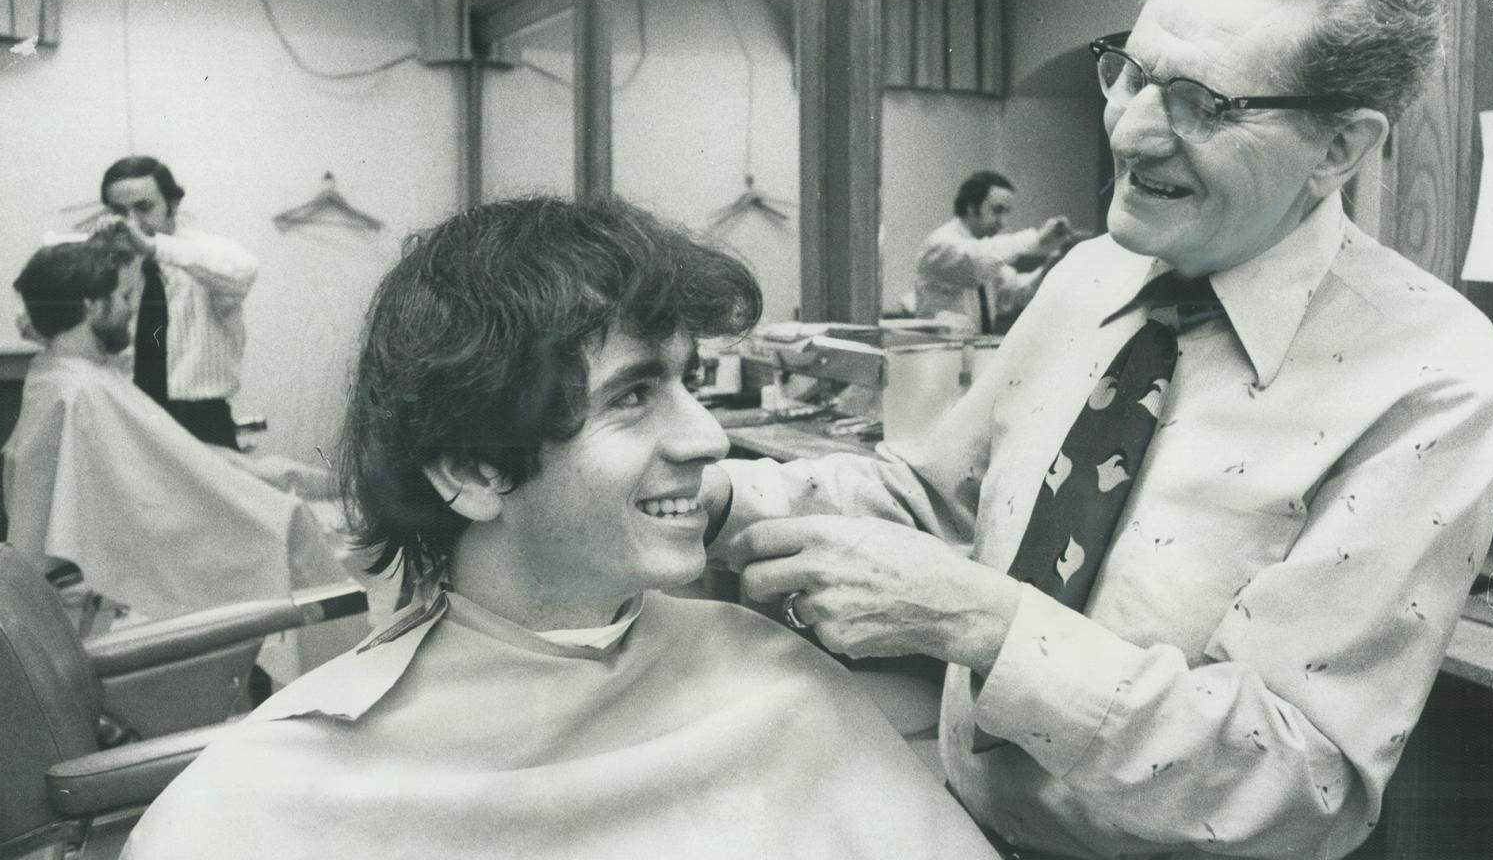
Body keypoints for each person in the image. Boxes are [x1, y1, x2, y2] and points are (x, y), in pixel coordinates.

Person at [703, 0, 1493, 860]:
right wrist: (706, 495)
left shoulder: (1429, 378)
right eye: (1130, 73)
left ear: (1338, 146)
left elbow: (1297, 781)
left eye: (1202, 105)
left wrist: (983, 623)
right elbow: (931, 498)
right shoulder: (1088, 276)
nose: (1129, 132)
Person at [123, 196, 999, 860]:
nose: (706, 437)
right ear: (470, 469)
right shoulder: (266, 797)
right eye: (632, 396)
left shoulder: (778, 685)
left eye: (690, 382)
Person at [4, 234, 355, 665]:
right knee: (291, 531)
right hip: (93, 591)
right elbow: (154, 498)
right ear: (91, 306)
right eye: (124, 295)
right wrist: (267, 509)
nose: (132, 309)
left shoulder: (62, 377)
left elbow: (161, 471)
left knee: (287, 511)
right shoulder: (79, 393)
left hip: (76, 580)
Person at [99, 155, 258, 448]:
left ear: (172, 204)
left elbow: (245, 270)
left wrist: (155, 248)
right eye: (120, 211)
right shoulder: (111, 264)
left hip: (202, 420)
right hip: (130, 415)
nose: (132, 222)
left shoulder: (205, 252)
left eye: (144, 207)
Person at [915, 170, 1072, 332]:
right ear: (971, 207)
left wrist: (1049, 269)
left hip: (971, 351)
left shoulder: (986, 255)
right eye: (997, 210)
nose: (1003, 222)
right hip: (938, 354)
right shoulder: (941, 243)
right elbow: (976, 260)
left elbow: (1016, 292)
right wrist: (1037, 238)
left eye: (1006, 213)